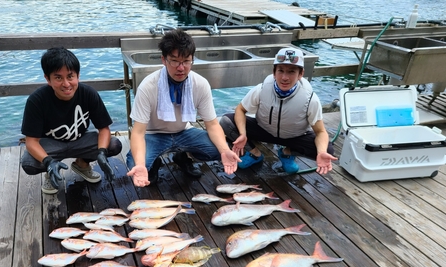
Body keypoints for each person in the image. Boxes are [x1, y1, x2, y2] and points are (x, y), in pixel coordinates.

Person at [126, 28, 240, 187]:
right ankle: (153, 165)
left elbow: (212, 124)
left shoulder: (199, 84)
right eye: (174, 61)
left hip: (184, 132)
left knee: (218, 150)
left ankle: (182, 157)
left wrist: (224, 151)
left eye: (186, 61)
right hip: (154, 135)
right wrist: (140, 163)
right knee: (134, 163)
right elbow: (138, 132)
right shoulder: (148, 86)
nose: (181, 68)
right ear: (163, 60)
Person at [219, 46, 337, 175]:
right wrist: (242, 134)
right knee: (225, 121)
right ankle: (254, 154)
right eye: (281, 71)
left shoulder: (311, 99)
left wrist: (321, 153)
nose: (284, 77)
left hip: (294, 137)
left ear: (301, 74)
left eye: (291, 71)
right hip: (264, 130)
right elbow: (240, 109)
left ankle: (287, 153)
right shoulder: (262, 89)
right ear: (274, 72)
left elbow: (320, 132)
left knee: (327, 150)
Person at [20, 47, 122, 194]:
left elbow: (104, 129)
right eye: (58, 78)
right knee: (29, 163)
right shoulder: (37, 100)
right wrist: (48, 162)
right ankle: (51, 171)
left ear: (78, 76)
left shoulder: (88, 93)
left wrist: (101, 153)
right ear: (48, 79)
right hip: (51, 145)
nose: (66, 84)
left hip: (80, 140)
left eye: (70, 76)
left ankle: (82, 164)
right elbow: (31, 142)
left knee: (112, 144)